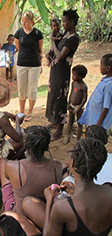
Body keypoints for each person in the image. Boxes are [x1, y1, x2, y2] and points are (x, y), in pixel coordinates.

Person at [0, 126, 63, 214]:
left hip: (19, 215)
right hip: (41, 212)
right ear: (46, 146)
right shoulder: (58, 167)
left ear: (25, 143)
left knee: (2, 163)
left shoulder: (14, 167)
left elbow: (7, 176)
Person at [45, 9, 80, 140]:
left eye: (65, 22)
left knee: (60, 98)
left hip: (62, 72)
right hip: (55, 70)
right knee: (53, 94)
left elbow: (60, 56)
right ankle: (54, 121)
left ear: (71, 22)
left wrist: (52, 41)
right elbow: (55, 51)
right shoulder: (65, 34)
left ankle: (59, 130)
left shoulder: (73, 39)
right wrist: (49, 53)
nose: (63, 24)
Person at [14, 11, 43, 122]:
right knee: (21, 89)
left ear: (31, 21)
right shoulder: (19, 33)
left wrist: (40, 65)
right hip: (21, 64)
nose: (23, 24)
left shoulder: (37, 33)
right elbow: (19, 47)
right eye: (22, 21)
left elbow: (40, 50)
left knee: (32, 88)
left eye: (25, 22)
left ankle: (30, 111)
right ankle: (21, 111)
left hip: (34, 64)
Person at [79, 54, 112, 131]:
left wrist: (98, 125)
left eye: (101, 65)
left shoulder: (109, 85)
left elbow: (106, 107)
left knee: (96, 142)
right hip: (94, 121)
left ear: (108, 68)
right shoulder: (105, 80)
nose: (100, 68)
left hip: (98, 125)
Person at [63, 65, 88, 144]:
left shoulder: (83, 86)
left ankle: (78, 138)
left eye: (74, 75)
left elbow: (84, 99)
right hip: (72, 105)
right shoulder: (73, 83)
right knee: (70, 121)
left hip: (79, 107)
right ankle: (68, 135)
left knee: (79, 123)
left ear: (80, 77)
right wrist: (68, 102)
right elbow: (71, 93)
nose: (72, 76)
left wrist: (78, 108)